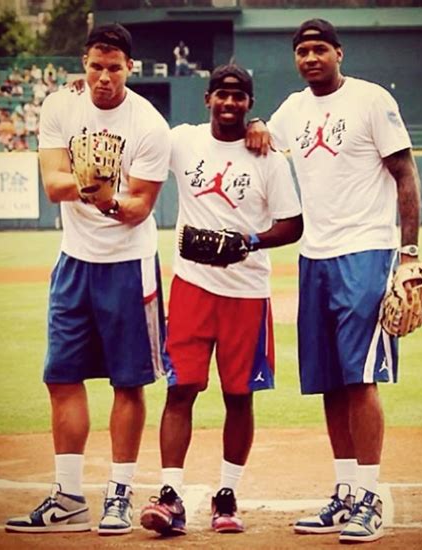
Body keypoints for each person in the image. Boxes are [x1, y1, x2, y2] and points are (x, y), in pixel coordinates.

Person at [246, 19, 422, 544]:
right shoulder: (293, 110)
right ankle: (345, 491)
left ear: (339, 53)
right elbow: (257, 136)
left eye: (320, 48)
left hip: (366, 251)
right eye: (302, 51)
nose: (310, 57)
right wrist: (256, 121)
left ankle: (370, 496)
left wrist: (408, 252)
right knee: (327, 379)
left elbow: (406, 173)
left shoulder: (371, 101)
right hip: (315, 256)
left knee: (359, 376)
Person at [5, 23, 171, 536]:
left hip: (129, 264)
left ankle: (119, 495)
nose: (103, 77)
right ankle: (69, 495)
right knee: (61, 375)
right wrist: (88, 184)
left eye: (114, 68)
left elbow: (140, 207)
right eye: (96, 66)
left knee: (128, 381)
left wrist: (108, 198)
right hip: (75, 260)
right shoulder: (60, 107)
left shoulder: (148, 123)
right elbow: (52, 183)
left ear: (130, 69)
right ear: (85, 63)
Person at [139, 64, 303, 536]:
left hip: (246, 293)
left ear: (250, 104)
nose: (230, 103)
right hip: (192, 287)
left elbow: (292, 224)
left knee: (239, 395)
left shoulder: (269, 158)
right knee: (181, 389)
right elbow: (142, 131)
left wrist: (248, 241)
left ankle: (226, 494)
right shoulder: (183, 140)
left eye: (239, 97)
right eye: (222, 95)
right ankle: (169, 495)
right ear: (207, 98)